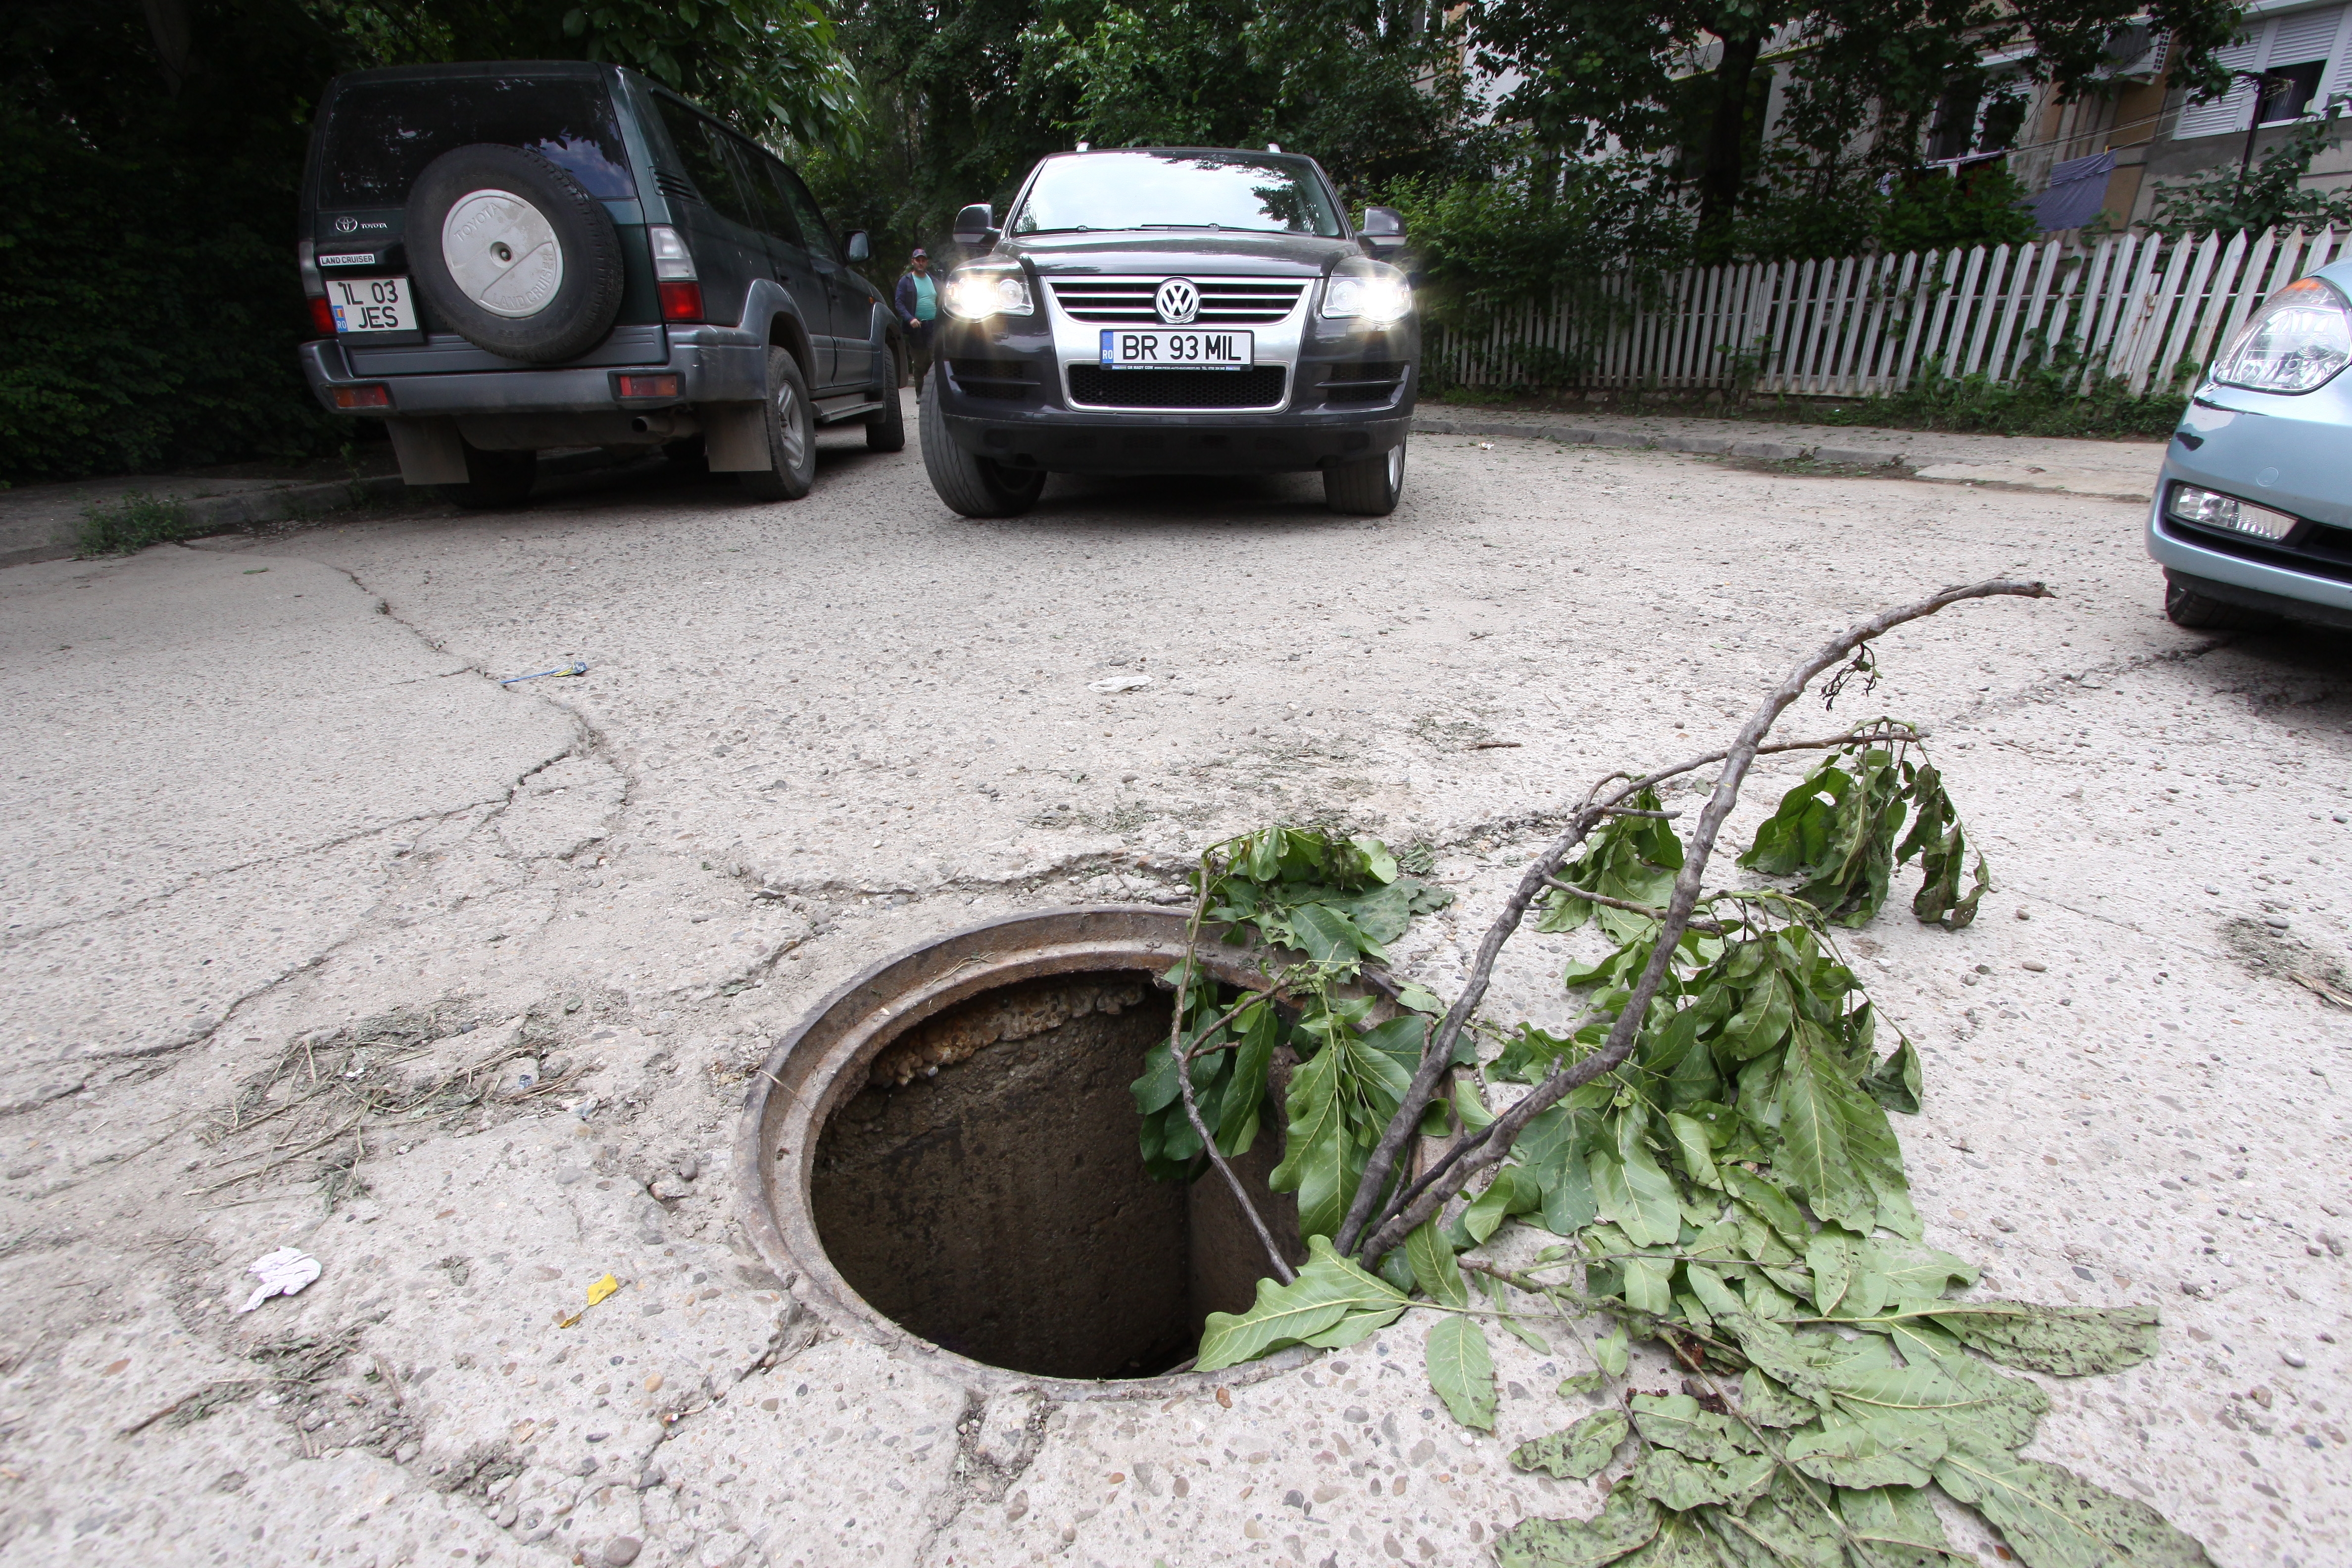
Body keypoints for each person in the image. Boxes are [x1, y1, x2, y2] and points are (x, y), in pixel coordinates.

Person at [893, 248, 939, 398]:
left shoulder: (933, 280)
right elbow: (899, 303)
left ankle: (934, 395)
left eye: (923, 260)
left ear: (927, 262)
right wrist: (910, 318)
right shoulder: (906, 281)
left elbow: (945, 296)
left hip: (933, 325)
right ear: (912, 261)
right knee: (919, 362)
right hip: (916, 327)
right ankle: (920, 393)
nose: (921, 263)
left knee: (935, 360)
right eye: (918, 260)